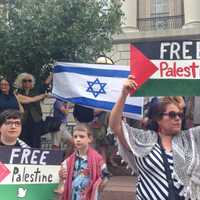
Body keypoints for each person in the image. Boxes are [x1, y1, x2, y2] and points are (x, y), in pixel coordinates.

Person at [109, 75, 200, 200]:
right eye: (172, 114)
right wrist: (124, 94)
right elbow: (115, 126)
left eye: (180, 115)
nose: (178, 118)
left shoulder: (190, 138)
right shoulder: (142, 140)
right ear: (158, 118)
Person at [55, 123, 109, 200]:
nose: (78, 139)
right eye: (75, 137)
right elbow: (62, 180)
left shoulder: (97, 159)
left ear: (90, 139)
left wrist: (97, 189)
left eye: (82, 136)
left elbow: (106, 176)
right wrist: (61, 177)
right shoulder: (68, 161)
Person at [14, 73, 51, 148]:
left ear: (32, 82)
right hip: (23, 120)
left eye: (29, 80)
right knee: (23, 140)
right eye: (24, 80)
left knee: (36, 140)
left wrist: (53, 73)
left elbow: (46, 84)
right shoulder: (18, 92)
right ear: (21, 82)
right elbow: (28, 100)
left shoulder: (36, 90)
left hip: (36, 119)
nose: (27, 82)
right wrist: (41, 96)